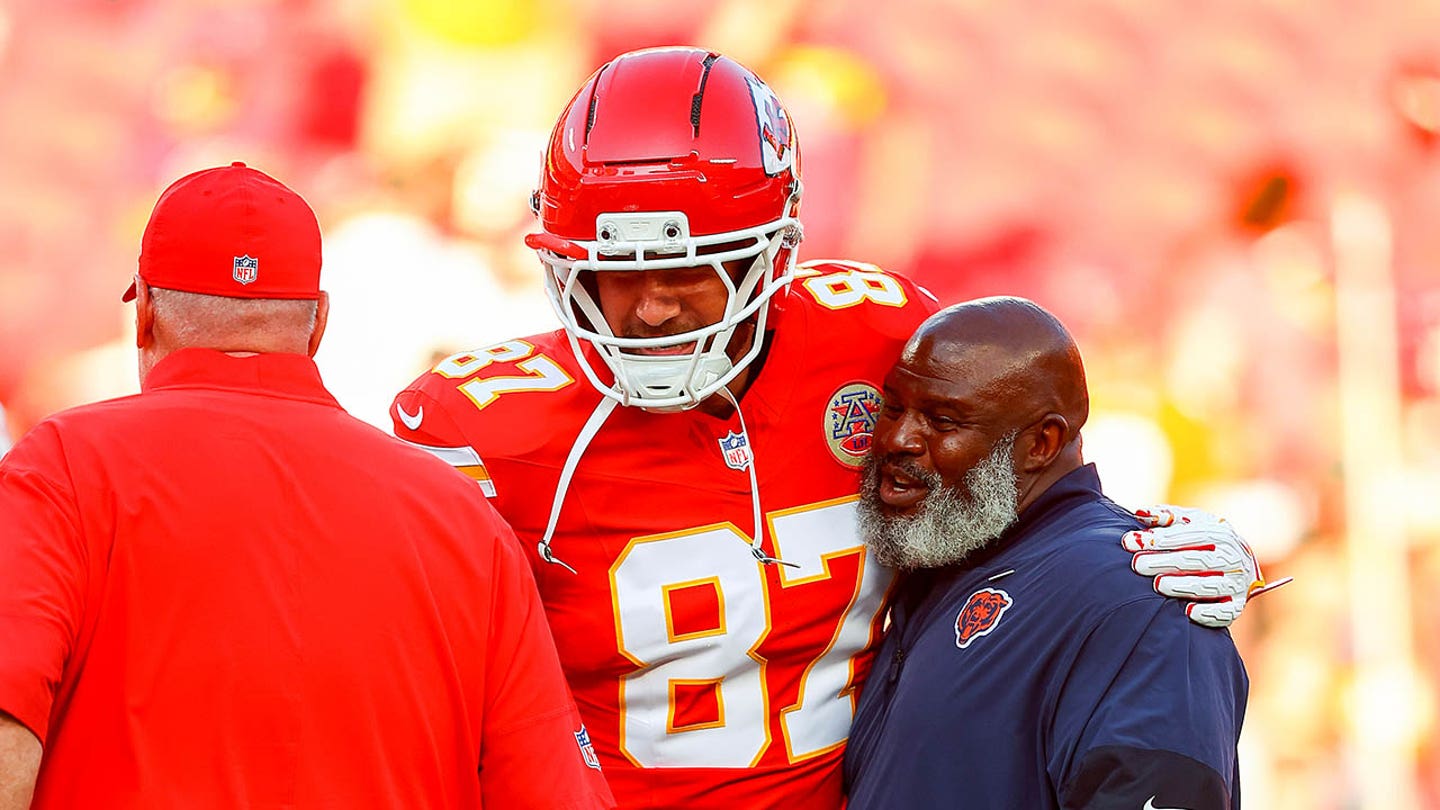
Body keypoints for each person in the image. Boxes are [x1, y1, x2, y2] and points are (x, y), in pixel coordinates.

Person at [391, 47, 1263, 809]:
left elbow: (1016, 491)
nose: (651, 307)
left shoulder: (874, 336)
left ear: (771, 253)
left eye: (689, 270)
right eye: (616, 271)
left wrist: (1140, 551)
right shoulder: (480, 429)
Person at [0, 163, 615, 810]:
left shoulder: (61, 467)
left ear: (146, 313)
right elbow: (549, 791)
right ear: (318, 323)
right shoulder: (457, 514)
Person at [843, 297, 1247, 809]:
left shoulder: (1143, 600)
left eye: (943, 421)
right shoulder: (946, 556)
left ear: (1041, 443)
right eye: (894, 407)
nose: (898, 438)